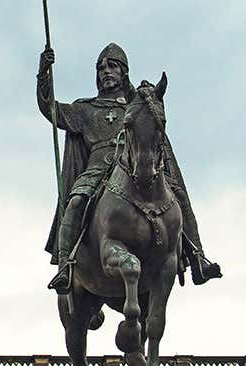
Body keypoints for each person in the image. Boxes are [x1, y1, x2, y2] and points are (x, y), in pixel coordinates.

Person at [37, 43, 220, 293]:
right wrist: (43, 73)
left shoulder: (136, 105)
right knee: (77, 201)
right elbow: (52, 110)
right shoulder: (85, 108)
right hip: (97, 169)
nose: (106, 71)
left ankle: (198, 257)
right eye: (101, 68)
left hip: (135, 162)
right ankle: (66, 267)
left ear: (124, 72)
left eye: (112, 66)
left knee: (178, 195)